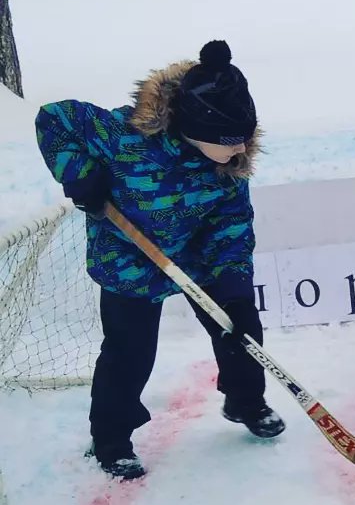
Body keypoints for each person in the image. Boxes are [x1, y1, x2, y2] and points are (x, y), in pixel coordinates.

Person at [36, 40, 284, 481]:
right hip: (129, 258)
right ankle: (111, 439)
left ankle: (244, 400)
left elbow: (231, 228)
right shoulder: (123, 136)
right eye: (229, 143)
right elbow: (53, 119)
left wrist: (234, 288)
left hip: (194, 255)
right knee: (129, 353)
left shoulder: (228, 166)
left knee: (240, 328)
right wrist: (78, 173)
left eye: (245, 139)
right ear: (195, 129)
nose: (241, 150)